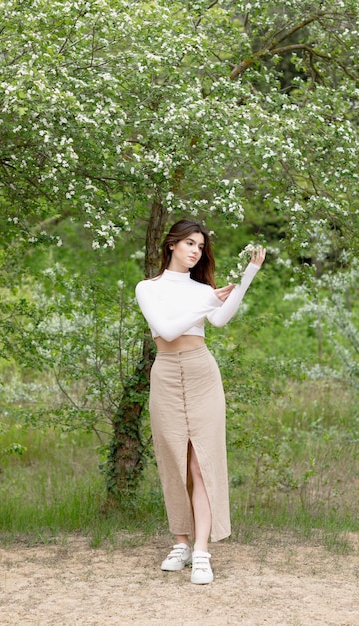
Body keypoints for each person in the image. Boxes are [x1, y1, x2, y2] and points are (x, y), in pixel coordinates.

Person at [135, 218, 266, 584]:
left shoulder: (201, 288)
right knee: (173, 459)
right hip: (165, 372)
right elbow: (165, 329)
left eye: (200, 246)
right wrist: (206, 300)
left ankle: (202, 552)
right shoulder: (148, 287)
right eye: (189, 243)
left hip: (201, 371)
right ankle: (181, 542)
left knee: (201, 463)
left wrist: (249, 274)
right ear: (172, 244)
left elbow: (220, 319)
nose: (195, 251)